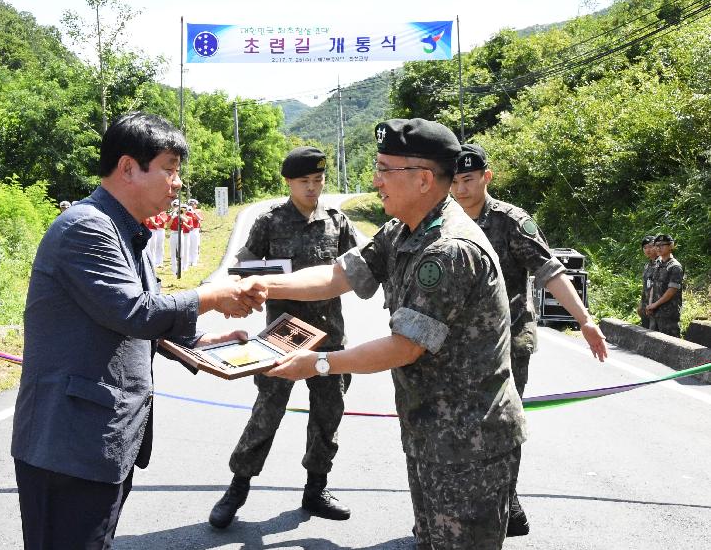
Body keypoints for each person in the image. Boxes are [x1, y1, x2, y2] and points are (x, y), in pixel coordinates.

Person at [252, 119, 527, 549]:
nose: (375, 180)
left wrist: (320, 364)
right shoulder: (404, 227)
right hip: (428, 430)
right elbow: (337, 276)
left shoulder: (449, 249)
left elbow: (406, 346)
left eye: (384, 169)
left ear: (422, 179)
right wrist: (259, 286)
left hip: (469, 443)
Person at [10, 112, 266, 550]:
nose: (177, 182)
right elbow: (135, 312)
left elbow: (139, 325)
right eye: (169, 169)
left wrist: (206, 344)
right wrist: (213, 296)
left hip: (102, 442)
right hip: (69, 446)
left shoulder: (127, 231)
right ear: (129, 167)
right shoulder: (87, 227)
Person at [450, 142, 607, 537]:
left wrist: (584, 320)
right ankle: (463, 507)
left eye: (468, 180)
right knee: (457, 426)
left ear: (486, 177)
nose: (460, 189)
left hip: (507, 342)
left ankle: (507, 502)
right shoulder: (444, 221)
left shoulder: (510, 221)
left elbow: (550, 272)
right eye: (453, 181)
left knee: (504, 424)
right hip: (454, 348)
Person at [209, 146, 360, 529]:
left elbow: (360, 269)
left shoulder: (336, 222)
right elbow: (242, 269)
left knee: (328, 416)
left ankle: (316, 488)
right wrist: (245, 292)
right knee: (266, 415)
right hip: (282, 338)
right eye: (304, 181)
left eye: (318, 180)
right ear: (289, 183)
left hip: (329, 338)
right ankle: (237, 489)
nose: (312, 188)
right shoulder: (270, 222)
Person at [646, 233, 684, 337]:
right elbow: (653, 285)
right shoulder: (658, 263)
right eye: (656, 245)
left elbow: (671, 291)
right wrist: (650, 304)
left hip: (668, 314)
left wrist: (655, 304)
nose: (658, 248)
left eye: (662, 245)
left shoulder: (675, 266)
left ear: (671, 246)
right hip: (655, 312)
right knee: (653, 342)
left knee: (671, 344)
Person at [638, 235, 658, 328]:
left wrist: (652, 305)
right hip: (646, 306)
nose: (647, 250)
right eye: (645, 248)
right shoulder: (647, 265)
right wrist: (641, 304)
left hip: (657, 306)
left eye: (650, 246)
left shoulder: (662, 264)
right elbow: (645, 286)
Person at [187, 198, 202, 266]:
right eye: (190, 204)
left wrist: (193, 212)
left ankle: (194, 260)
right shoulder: (186, 211)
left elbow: (200, 218)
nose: (191, 205)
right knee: (188, 245)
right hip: (187, 230)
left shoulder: (197, 211)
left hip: (195, 230)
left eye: (193, 204)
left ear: (196, 205)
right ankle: (189, 260)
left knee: (195, 245)